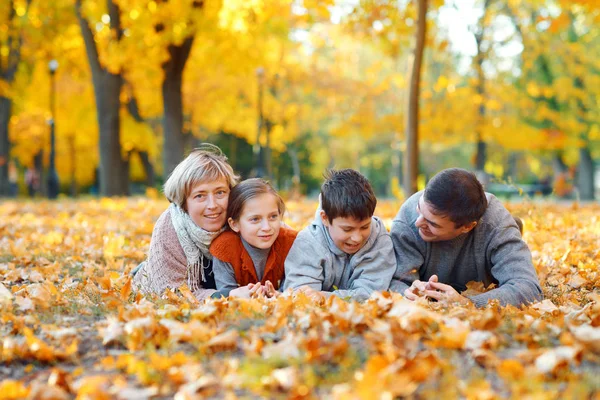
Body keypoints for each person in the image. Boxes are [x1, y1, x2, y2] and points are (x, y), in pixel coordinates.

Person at [390, 168, 543, 308]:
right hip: (428, 275)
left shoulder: (497, 225)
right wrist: (407, 293)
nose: (418, 222)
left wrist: (468, 304)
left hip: (486, 255)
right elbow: (393, 280)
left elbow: (528, 288)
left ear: (467, 227)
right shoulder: (407, 221)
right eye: (419, 209)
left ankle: (511, 236)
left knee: (503, 236)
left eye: (432, 223)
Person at [132, 144, 241, 301]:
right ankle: (143, 270)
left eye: (220, 192)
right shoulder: (169, 228)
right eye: (200, 196)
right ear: (184, 203)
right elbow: (172, 293)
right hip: (171, 280)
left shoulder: (242, 215)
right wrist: (227, 295)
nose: (212, 205)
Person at [282, 169, 396, 302]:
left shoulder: (378, 238)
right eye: (347, 229)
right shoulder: (308, 243)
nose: (357, 238)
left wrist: (325, 297)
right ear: (325, 218)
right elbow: (302, 296)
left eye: (365, 227)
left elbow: (372, 294)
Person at [210, 178, 297, 298]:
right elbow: (225, 293)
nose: (266, 227)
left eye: (273, 216)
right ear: (234, 224)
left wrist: (280, 295)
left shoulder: (291, 243)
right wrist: (237, 296)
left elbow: (295, 288)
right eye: (255, 219)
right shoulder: (224, 248)